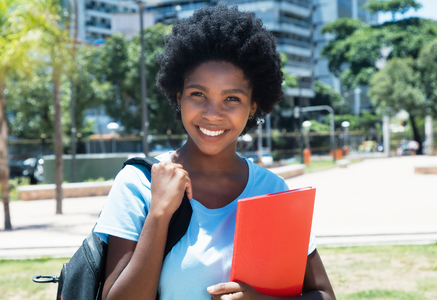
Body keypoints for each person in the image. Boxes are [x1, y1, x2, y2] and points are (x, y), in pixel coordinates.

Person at [94, 3, 335, 300]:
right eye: (198, 94)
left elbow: (323, 294)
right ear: (179, 97)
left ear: (253, 108)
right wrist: (158, 213)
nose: (212, 114)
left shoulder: (273, 190)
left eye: (231, 98)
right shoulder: (139, 183)